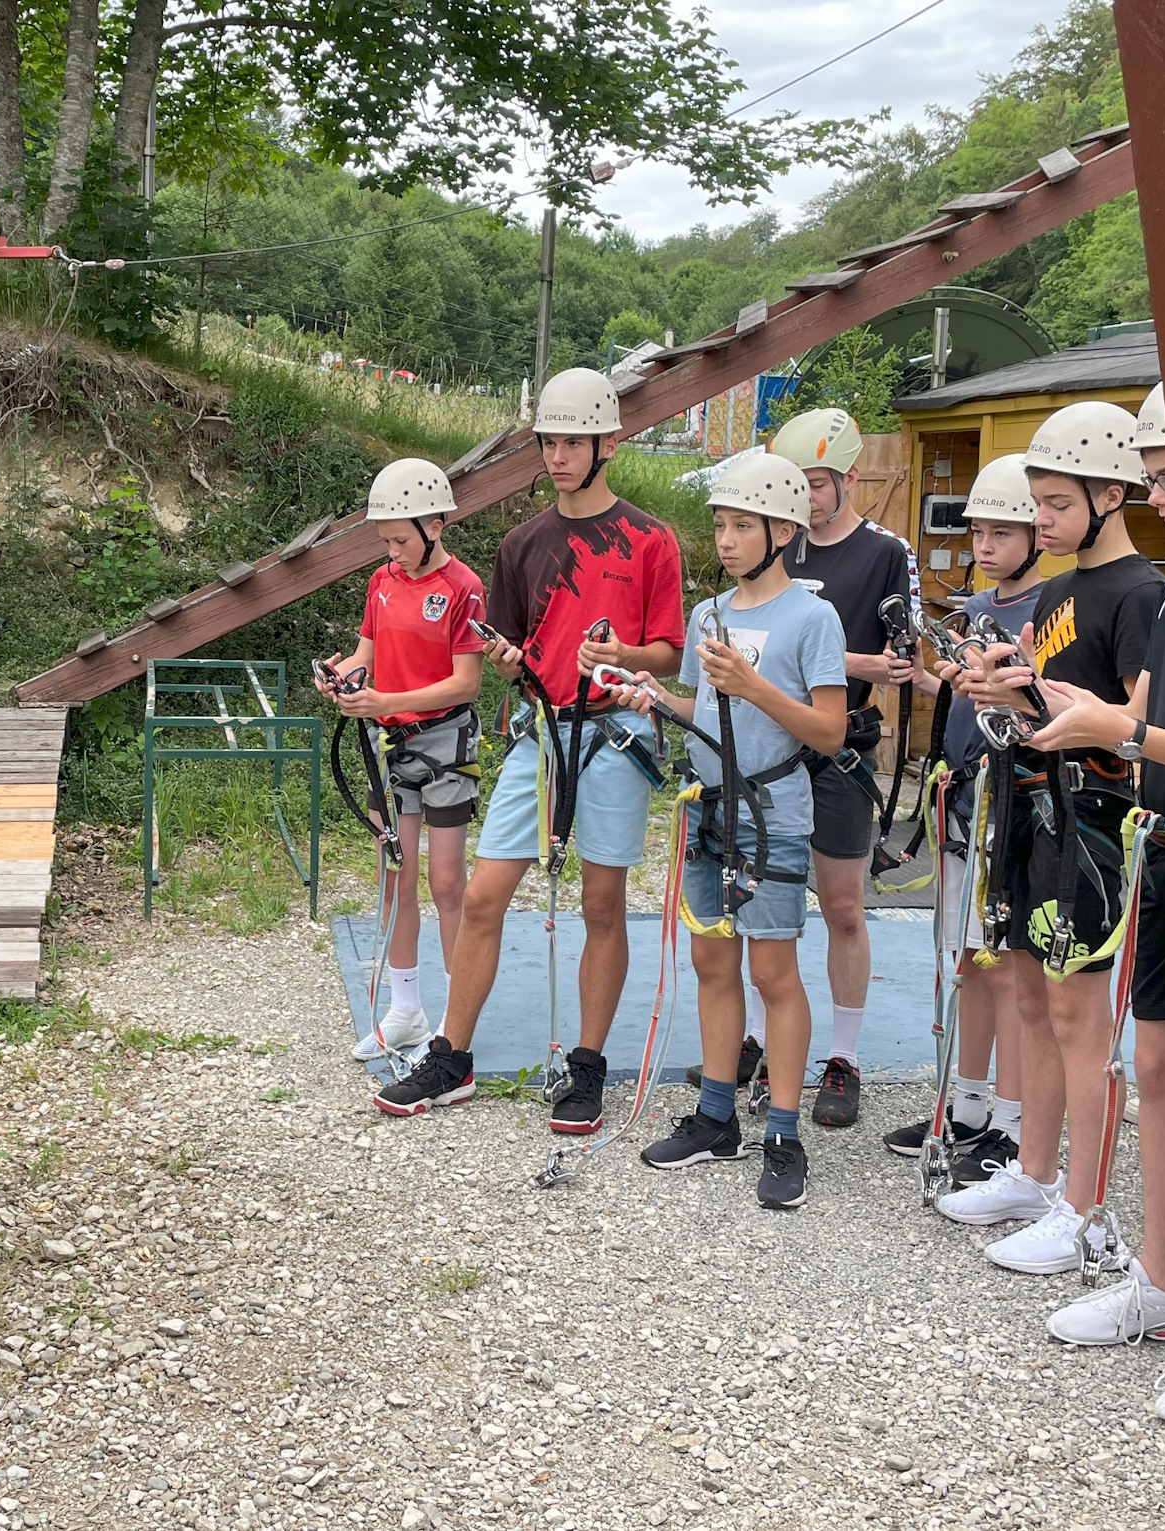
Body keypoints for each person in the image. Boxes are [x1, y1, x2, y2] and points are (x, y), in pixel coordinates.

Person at [371, 368, 685, 1126]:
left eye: (573, 441)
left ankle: (587, 1064)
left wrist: (623, 655)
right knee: (482, 895)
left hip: (614, 730)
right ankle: (453, 1053)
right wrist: (512, 662)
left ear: (608, 442)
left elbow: (672, 652)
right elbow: (508, 646)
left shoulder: (651, 540)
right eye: (548, 441)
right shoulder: (522, 544)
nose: (558, 455)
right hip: (540, 732)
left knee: (601, 901)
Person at [1023, 384, 1165, 1421]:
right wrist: (1095, 718)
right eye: (1149, 474)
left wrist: (1128, 734)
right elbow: (1148, 718)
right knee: (1157, 1068)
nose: (1160, 492)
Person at [942, 399, 1161, 1277]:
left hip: (1099, 823)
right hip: (1033, 805)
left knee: (1080, 1013)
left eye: (1058, 503)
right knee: (1028, 989)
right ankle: (1034, 1174)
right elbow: (1052, 711)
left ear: (1113, 495)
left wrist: (1045, 706)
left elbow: (1135, 724)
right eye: (1037, 502)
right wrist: (1002, 692)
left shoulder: (1142, 594)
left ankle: (1086, 1201)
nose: (1041, 519)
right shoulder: (1061, 589)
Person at [621, 455, 846, 1209]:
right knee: (712, 963)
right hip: (708, 808)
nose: (726, 538)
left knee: (772, 974)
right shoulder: (709, 613)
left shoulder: (814, 617)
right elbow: (707, 711)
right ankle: (717, 1114)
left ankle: (783, 1130)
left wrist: (754, 686)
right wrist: (656, 696)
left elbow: (828, 729)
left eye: (742, 525)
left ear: (783, 530)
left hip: (774, 811)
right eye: (720, 525)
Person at [881, 456, 1045, 1182]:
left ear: (1037, 533)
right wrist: (926, 676)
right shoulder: (976, 609)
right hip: (961, 801)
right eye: (977, 531)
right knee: (965, 961)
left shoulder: (1048, 609)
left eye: (1002, 531)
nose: (984, 544)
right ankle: (969, 1103)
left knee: (1007, 968)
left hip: (1011, 804)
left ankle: (1013, 1121)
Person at [758, 407, 920, 1128]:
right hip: (771, 742)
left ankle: (844, 1054)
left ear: (851, 478)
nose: (808, 497)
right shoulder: (774, 542)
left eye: (819, 484)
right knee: (766, 900)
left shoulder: (885, 551)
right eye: (798, 484)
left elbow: (903, 658)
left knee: (843, 905)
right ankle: (762, 1039)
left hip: (843, 743)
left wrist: (849, 663)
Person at [317, 457, 486, 1067]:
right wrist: (339, 678)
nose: (390, 550)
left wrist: (384, 699)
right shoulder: (383, 581)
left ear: (435, 524)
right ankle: (405, 1010)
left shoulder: (462, 587)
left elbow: (465, 684)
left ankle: (452, 1021)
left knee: (446, 883)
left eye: (398, 538)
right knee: (395, 876)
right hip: (391, 748)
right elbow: (367, 653)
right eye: (384, 540)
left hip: (444, 744)